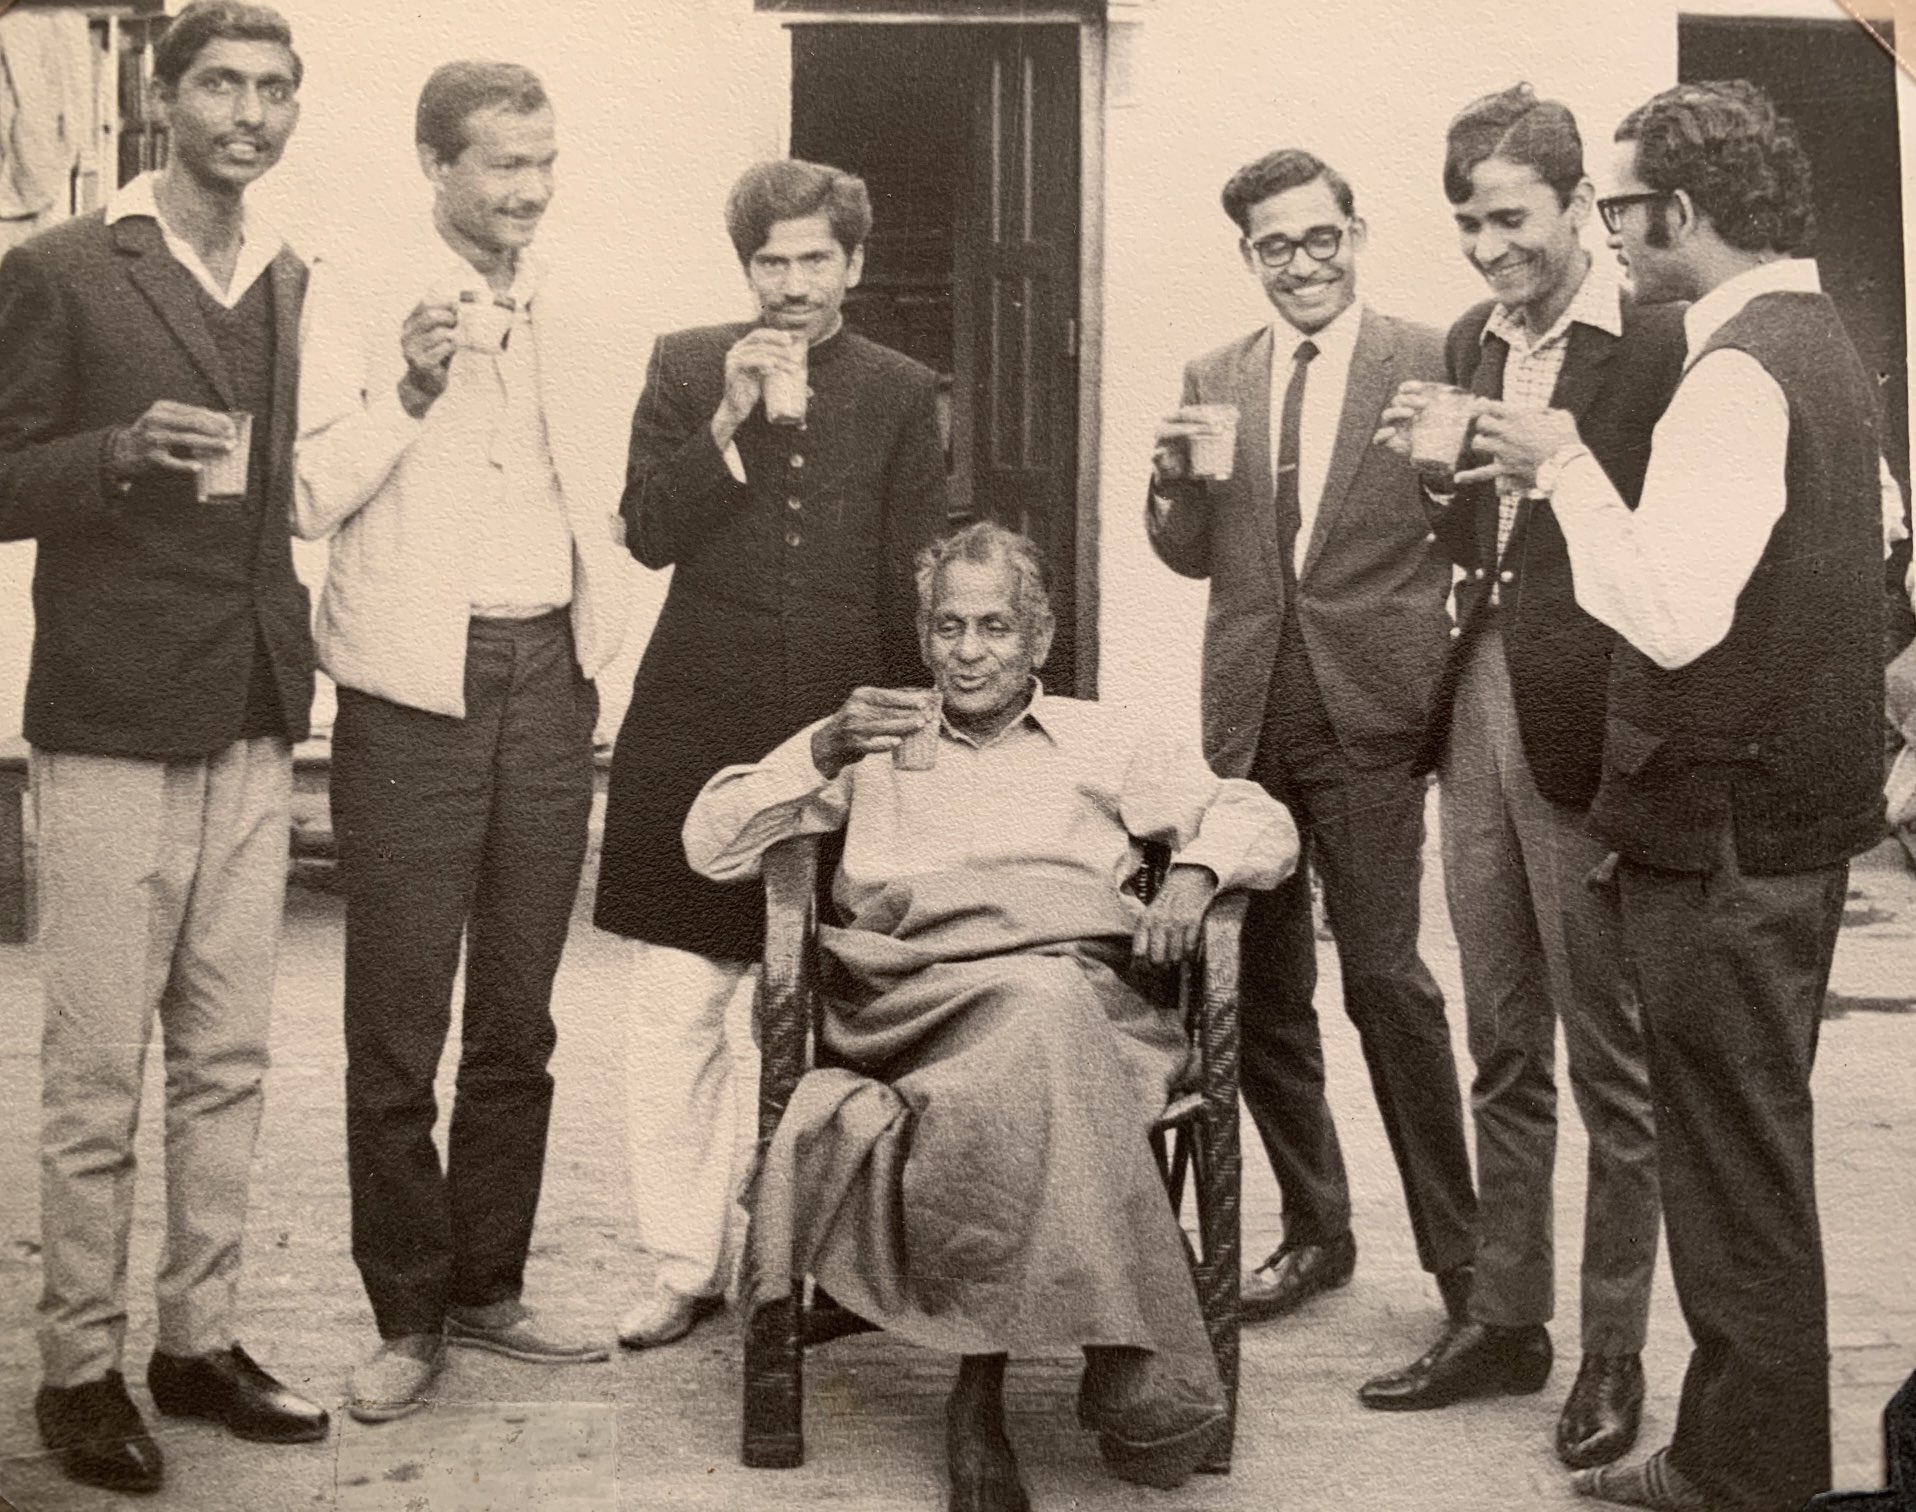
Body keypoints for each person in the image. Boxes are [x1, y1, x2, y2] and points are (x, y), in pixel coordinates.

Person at [1470, 80, 1896, 1512]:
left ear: (1684, 215)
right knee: (1744, 1163)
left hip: (1720, 847)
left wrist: (1567, 464)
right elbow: (1882, 549)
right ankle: (1736, 1453)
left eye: (1622, 210)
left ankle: (1750, 1476)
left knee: (1736, 1180)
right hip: (1789, 832)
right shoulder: (1823, 341)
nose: (1614, 237)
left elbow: (1668, 613)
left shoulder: (1731, 372)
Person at [684, 521, 1297, 1511]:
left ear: (1039, 640)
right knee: (1042, 1010)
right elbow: (710, 842)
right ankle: (1123, 1344)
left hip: (1072, 994)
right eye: (947, 627)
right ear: (922, 636)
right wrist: (820, 748)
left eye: (995, 627)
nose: (968, 650)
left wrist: (1190, 876)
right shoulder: (871, 742)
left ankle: (977, 1398)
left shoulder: (1109, 739)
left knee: (1046, 1007)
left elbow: (1259, 816)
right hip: (908, 1006)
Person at [0, 0, 326, 1492]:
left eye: (273, 90)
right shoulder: (64, 269)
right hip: (116, 721)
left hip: (253, 715)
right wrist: (119, 452)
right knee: (92, 1079)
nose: (247, 114)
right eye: (221, 86)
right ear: (161, 98)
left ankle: (196, 1343)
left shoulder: (286, 276)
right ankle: (79, 1369)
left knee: (229, 1060)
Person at [295, 60, 631, 1421]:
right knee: (395, 1021)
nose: (532, 190)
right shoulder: (358, 295)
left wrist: (598, 652)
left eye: (544, 162)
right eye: (504, 164)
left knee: (519, 1013)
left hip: (546, 674)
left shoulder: (575, 297)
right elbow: (310, 494)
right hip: (412, 691)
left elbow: (602, 487)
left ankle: (488, 1290)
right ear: (435, 165)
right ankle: (405, 1313)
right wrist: (414, 390)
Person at [1357, 85, 1684, 1468]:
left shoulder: (1658, 346)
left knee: (1611, 1055)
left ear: (1573, 213)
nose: (1491, 249)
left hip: (1593, 715)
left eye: (1513, 219)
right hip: (1477, 695)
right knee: (1502, 1032)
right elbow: (1472, 540)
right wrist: (1435, 481)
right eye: (1468, 223)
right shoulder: (1465, 341)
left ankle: (1613, 1351)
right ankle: (1508, 1317)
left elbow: (1668, 556)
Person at [595, 158, 950, 1350]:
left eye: (813, 260)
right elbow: (647, 532)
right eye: (769, 261)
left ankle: (815, 1261)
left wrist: (909, 743)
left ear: (852, 264)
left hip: (838, 732)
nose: (790, 285)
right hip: (691, 725)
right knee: (675, 1008)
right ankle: (681, 1261)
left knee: (826, 1005)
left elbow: (915, 573)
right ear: (743, 266)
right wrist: (726, 425)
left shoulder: (903, 390)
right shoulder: (688, 363)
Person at [1146, 148, 1477, 1334]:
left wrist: (1443, 482)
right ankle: (1313, 1229)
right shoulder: (1213, 371)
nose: (1301, 264)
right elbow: (1187, 550)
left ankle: (1462, 1265)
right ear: (1248, 258)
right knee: (1263, 990)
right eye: (1274, 246)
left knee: (1386, 980)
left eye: (1319, 237)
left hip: (1372, 715)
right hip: (1250, 718)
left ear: (1356, 233)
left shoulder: (1433, 356)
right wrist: (1172, 483)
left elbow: (1474, 516)